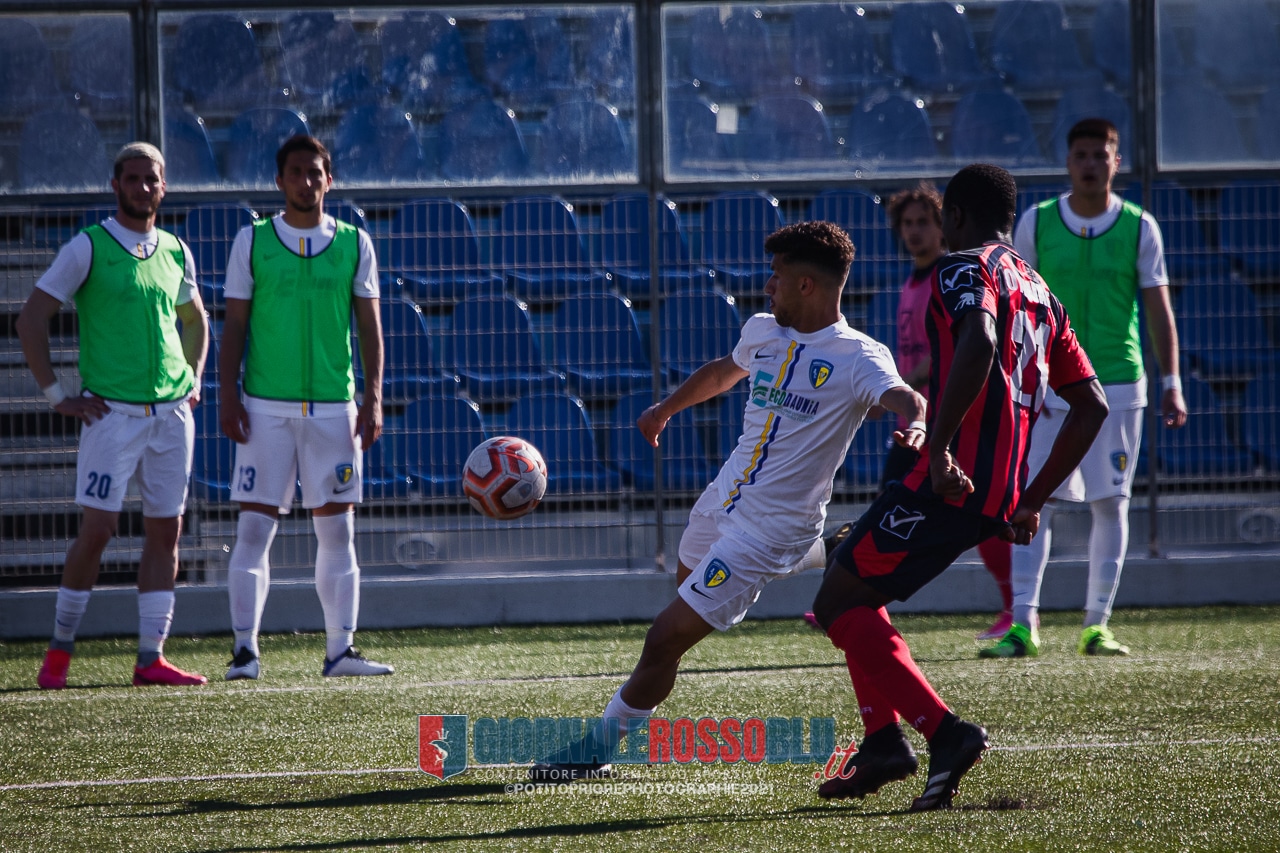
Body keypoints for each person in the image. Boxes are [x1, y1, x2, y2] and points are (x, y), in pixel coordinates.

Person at [529, 221, 927, 781]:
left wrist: (917, 423)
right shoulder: (763, 329)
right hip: (720, 503)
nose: (767, 286)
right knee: (676, 624)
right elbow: (723, 372)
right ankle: (821, 551)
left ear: (807, 285)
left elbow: (905, 397)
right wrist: (665, 409)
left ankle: (593, 752)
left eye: (777, 276)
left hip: (766, 533)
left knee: (664, 637)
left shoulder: (859, 356)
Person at [811, 164, 1108, 810]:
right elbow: (1092, 405)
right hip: (997, 489)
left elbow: (979, 341)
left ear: (956, 217)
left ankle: (945, 734)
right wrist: (1031, 497)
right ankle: (882, 742)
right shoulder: (1042, 292)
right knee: (852, 575)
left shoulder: (960, 267)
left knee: (836, 602)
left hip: (948, 479)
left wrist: (940, 447)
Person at [982, 118, 1188, 660]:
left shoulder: (1140, 227)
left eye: (1101, 154)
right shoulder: (1038, 221)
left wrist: (1172, 383)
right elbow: (1013, 302)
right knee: (1034, 500)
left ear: (1116, 161)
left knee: (1111, 504)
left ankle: (1097, 624)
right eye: (1082, 155)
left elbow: (1158, 310)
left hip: (1118, 384)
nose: (1091, 164)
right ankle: (1023, 623)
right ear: (1068, 162)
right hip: (1049, 388)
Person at [17, 142, 210, 689]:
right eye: (132, 179)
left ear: (164, 186)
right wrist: (57, 395)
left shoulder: (175, 249)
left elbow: (196, 321)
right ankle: (59, 653)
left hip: (172, 415)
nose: (142, 188)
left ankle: (151, 658)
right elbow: (30, 320)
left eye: (152, 179)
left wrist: (195, 378)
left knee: (166, 532)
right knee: (98, 531)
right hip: (112, 416)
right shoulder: (89, 246)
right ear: (115, 184)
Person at [218, 134, 391, 681]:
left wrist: (373, 397)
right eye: (295, 171)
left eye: (315, 172)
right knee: (254, 530)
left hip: (334, 409)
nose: (306, 181)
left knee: (338, 533)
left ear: (329, 180)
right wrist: (227, 393)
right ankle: (245, 652)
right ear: (279, 180)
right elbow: (234, 326)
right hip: (264, 409)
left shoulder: (355, 243)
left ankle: (340, 652)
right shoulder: (252, 241)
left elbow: (370, 328)